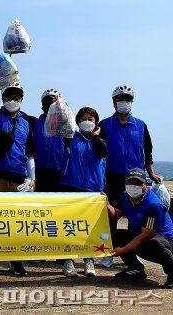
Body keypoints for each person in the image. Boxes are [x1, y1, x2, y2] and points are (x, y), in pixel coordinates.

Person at [0, 78, 35, 277]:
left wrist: (32, 178)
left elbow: (29, 154)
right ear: (2, 99)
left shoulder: (27, 123)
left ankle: (16, 262)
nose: (13, 100)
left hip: (19, 177)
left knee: (17, 222)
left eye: (16, 97)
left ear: (22, 100)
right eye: (9, 97)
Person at [99, 85, 161, 268]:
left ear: (131, 102)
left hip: (136, 178)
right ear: (113, 102)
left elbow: (147, 152)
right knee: (110, 217)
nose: (123, 103)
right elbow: (98, 151)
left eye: (127, 99)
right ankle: (108, 252)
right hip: (112, 177)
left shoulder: (141, 125)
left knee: (137, 218)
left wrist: (151, 173)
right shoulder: (104, 124)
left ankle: (134, 251)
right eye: (120, 100)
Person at [59, 107, 107, 277]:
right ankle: (69, 261)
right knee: (70, 226)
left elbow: (104, 152)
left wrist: (95, 136)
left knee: (90, 228)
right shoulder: (70, 138)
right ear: (78, 122)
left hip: (93, 190)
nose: (88, 121)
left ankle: (89, 261)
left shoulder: (99, 141)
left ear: (96, 123)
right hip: (71, 186)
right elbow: (58, 123)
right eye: (84, 118)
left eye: (91, 119)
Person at [107, 168, 173, 289]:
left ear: (146, 185)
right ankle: (135, 268)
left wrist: (123, 250)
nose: (133, 186)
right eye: (130, 182)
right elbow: (115, 216)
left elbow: (145, 235)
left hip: (162, 241)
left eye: (137, 183)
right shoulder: (125, 197)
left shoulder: (154, 205)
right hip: (140, 236)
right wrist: (106, 204)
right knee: (112, 235)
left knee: (153, 243)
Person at [33, 89, 65, 192]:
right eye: (46, 100)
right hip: (38, 171)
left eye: (52, 100)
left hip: (59, 172)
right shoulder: (33, 123)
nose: (49, 103)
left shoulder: (67, 126)